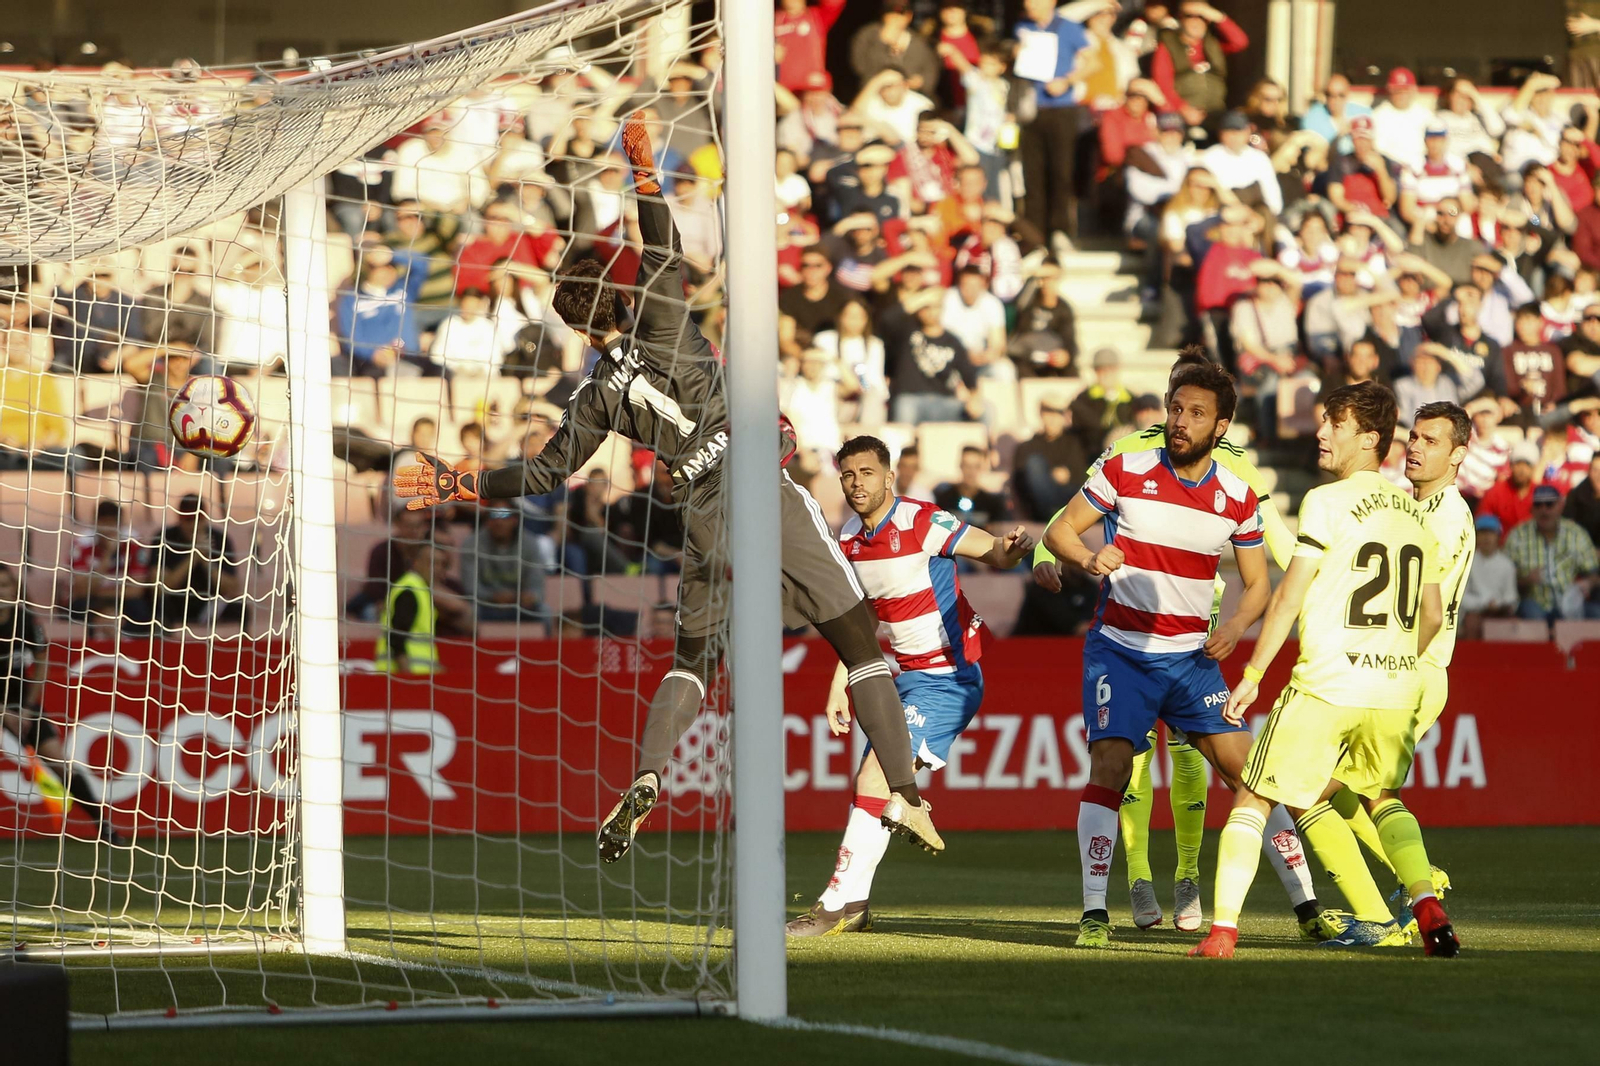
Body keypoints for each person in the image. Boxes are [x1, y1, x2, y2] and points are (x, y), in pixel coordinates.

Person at [395, 113, 944, 858]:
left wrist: (456, 482)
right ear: (623, 300)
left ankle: (649, 773)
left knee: (692, 664)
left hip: (705, 518)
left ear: (579, 333)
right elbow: (662, 248)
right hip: (762, 487)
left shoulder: (594, 396)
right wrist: (646, 179)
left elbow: (545, 473)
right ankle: (905, 792)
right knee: (861, 649)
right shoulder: (664, 327)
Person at [1044, 362, 1324, 948]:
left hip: (1193, 660)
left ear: (1221, 426)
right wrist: (1089, 558)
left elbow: (1258, 584)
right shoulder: (1125, 469)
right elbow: (1060, 531)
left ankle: (1308, 908)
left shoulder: (1237, 496)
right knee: (1112, 767)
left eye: (1196, 413)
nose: (1180, 421)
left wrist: (1236, 626)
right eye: (1175, 408)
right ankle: (1094, 911)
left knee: (1250, 773)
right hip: (1121, 652)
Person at [1193, 381, 1460, 959]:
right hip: (1395, 687)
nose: (1320, 433)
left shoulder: (1325, 501)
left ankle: (1221, 932)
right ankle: (1424, 899)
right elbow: (1433, 615)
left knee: (1253, 796)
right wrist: (1393, 658)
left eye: (1335, 424)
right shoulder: (1416, 516)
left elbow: (1288, 596)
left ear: (1369, 439)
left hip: (1328, 683)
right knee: (1382, 798)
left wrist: (1252, 675)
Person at [786, 436, 1034, 936]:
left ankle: (833, 905)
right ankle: (856, 900)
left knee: (875, 778)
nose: (857, 483)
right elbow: (859, 619)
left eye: (867, 473)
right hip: (905, 677)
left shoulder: (922, 520)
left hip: (949, 678)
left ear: (889, 476)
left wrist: (1010, 549)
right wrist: (840, 682)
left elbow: (992, 551)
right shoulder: (849, 537)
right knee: (872, 787)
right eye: (848, 475)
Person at [1317, 402, 1473, 935]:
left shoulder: (1446, 518)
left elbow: (1418, 611)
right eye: (1414, 437)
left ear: (1458, 455)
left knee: (1314, 789)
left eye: (1431, 441)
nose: (1416, 447)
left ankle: (1381, 913)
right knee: (1352, 790)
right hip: (1393, 670)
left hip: (1410, 672)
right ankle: (1418, 881)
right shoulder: (1415, 509)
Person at [0, 563, 121, 844]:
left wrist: (27, 709)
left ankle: (103, 824)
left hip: (21, 704)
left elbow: (41, 663)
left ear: (14, 589)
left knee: (58, 761)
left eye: (5, 586)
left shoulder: (25, 620)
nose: (1, 592)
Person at [1014, 0, 1093, 254]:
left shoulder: (1069, 27)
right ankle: (1035, 234)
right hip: (1030, 109)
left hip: (1061, 109)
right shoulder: (1023, 27)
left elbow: (1093, 63)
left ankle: (1060, 230)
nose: (1030, 5)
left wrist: (1067, 81)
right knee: (1032, 174)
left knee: (1061, 171)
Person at [1505, 484, 1600, 620]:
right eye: (1538, 505)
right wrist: (1526, 580)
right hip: (1534, 603)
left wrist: (1587, 583)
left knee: (1596, 614)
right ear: (1532, 509)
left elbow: (1593, 573)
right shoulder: (1517, 536)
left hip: (1569, 604)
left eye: (1549, 504)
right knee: (1532, 613)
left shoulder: (1576, 534)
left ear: (1560, 506)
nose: (1544, 510)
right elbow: (1502, 580)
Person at [152, 494, 244, 634]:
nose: (193, 525)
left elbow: (232, 588)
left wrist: (206, 561)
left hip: (207, 604)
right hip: (176, 602)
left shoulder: (219, 539)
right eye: (188, 520)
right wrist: (194, 555)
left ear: (205, 518)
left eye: (197, 519)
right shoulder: (165, 538)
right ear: (179, 518)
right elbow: (160, 587)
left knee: (241, 610)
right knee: (158, 606)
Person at [1151, 2, 1250, 130]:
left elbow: (1240, 42)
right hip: (1181, 115)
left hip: (1215, 112)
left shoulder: (1214, 45)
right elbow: (1162, 83)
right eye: (1190, 16)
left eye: (1202, 17)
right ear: (1181, 19)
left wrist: (1217, 16)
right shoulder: (1168, 45)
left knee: (1239, 125)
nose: (1196, 21)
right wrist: (1183, 109)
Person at [459, 499, 547, 626]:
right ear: (487, 521)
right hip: (485, 604)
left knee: (545, 612)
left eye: (504, 515)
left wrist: (528, 596)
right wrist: (493, 597)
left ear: (515, 520)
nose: (499, 522)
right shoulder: (472, 544)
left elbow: (537, 586)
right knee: (469, 611)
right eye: (493, 515)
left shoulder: (530, 543)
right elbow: (470, 587)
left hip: (520, 603)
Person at [68, 500, 150, 632]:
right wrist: (108, 555)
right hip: (92, 600)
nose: (109, 529)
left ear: (120, 524)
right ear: (95, 523)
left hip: (121, 599)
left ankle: (127, 639)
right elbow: (82, 591)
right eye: (104, 523)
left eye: (113, 523)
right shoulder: (81, 544)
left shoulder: (134, 543)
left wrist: (102, 595)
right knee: (79, 607)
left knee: (141, 609)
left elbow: (136, 591)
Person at [375, 541, 448, 675]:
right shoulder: (410, 590)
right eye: (432, 563)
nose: (438, 569)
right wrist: (407, 676)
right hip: (402, 677)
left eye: (441, 564)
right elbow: (396, 638)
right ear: (416, 563)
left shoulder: (420, 590)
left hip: (416, 675)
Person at [1011, 396, 1086, 522]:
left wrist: (1067, 475)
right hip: (1041, 506)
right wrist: (1051, 476)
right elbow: (1020, 482)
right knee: (1034, 463)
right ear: (1041, 414)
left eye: (1059, 413)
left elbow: (1082, 477)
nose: (1053, 418)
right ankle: (1053, 515)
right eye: (1048, 412)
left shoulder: (1075, 443)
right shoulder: (1027, 447)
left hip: (1070, 499)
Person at [1460, 514, 1519, 639]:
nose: (1486, 537)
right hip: (1474, 612)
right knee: (1472, 623)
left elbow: (1511, 597)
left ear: (1498, 536)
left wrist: (1498, 604)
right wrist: (1484, 603)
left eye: (1491, 533)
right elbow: (1462, 597)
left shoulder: (1507, 564)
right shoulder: (1467, 561)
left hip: (1500, 613)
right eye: (1482, 533)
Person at [933, 445, 1009, 531]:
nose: (971, 472)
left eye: (976, 466)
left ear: (982, 468)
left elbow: (996, 532)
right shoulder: (944, 499)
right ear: (960, 466)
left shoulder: (991, 503)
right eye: (967, 466)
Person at [1479, 439, 1543, 536]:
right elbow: (1481, 525)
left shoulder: (1540, 495)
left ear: (1534, 468)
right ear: (1511, 466)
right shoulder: (1495, 492)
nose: (1522, 470)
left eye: (1527, 465)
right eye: (1518, 464)